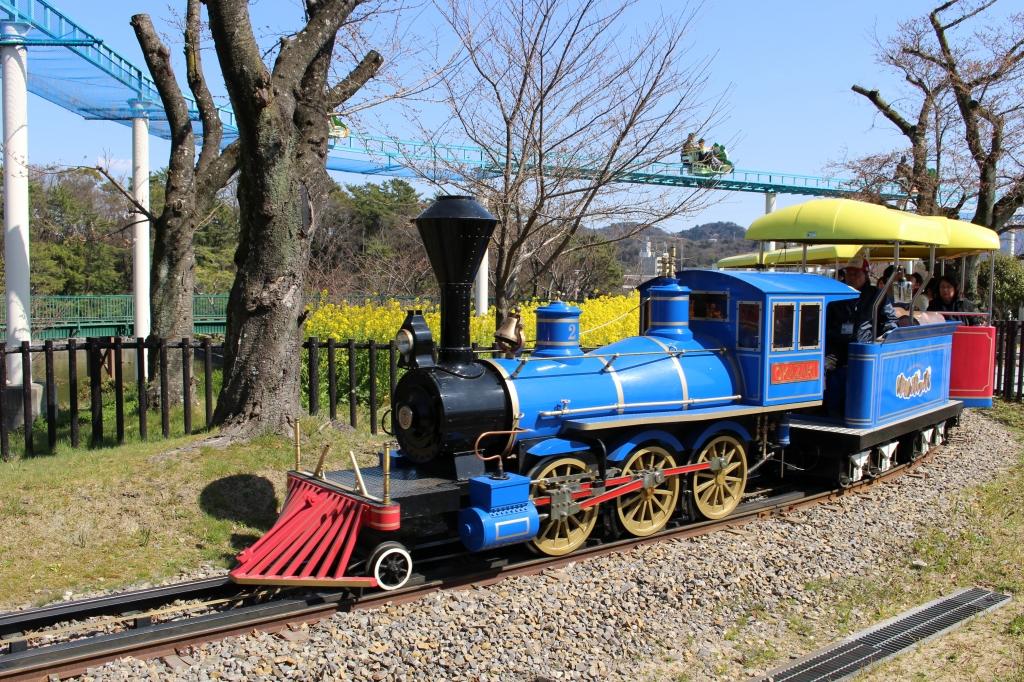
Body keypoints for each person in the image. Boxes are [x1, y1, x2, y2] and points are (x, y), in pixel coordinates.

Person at [825, 255, 898, 370]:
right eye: (849, 273)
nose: (851, 278)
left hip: (865, 350)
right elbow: (826, 322)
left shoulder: (877, 296)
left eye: (856, 274)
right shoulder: (836, 295)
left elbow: (890, 322)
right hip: (836, 351)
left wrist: (881, 340)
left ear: (866, 275)